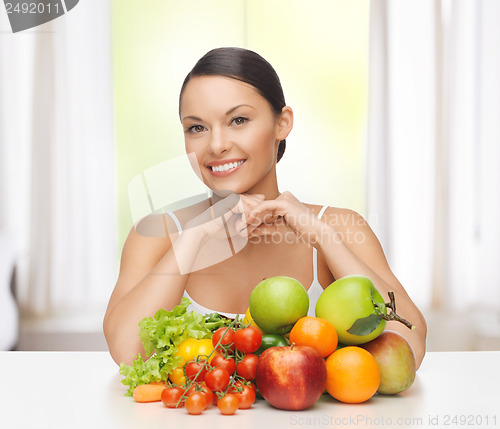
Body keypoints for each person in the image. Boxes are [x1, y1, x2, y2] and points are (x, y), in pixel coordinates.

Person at [103, 47, 427, 368]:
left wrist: (322, 236)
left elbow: (408, 345)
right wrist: (193, 239)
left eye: (238, 120)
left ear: (282, 123)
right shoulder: (158, 233)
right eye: (197, 128)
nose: (216, 145)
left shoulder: (341, 226)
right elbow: (127, 355)